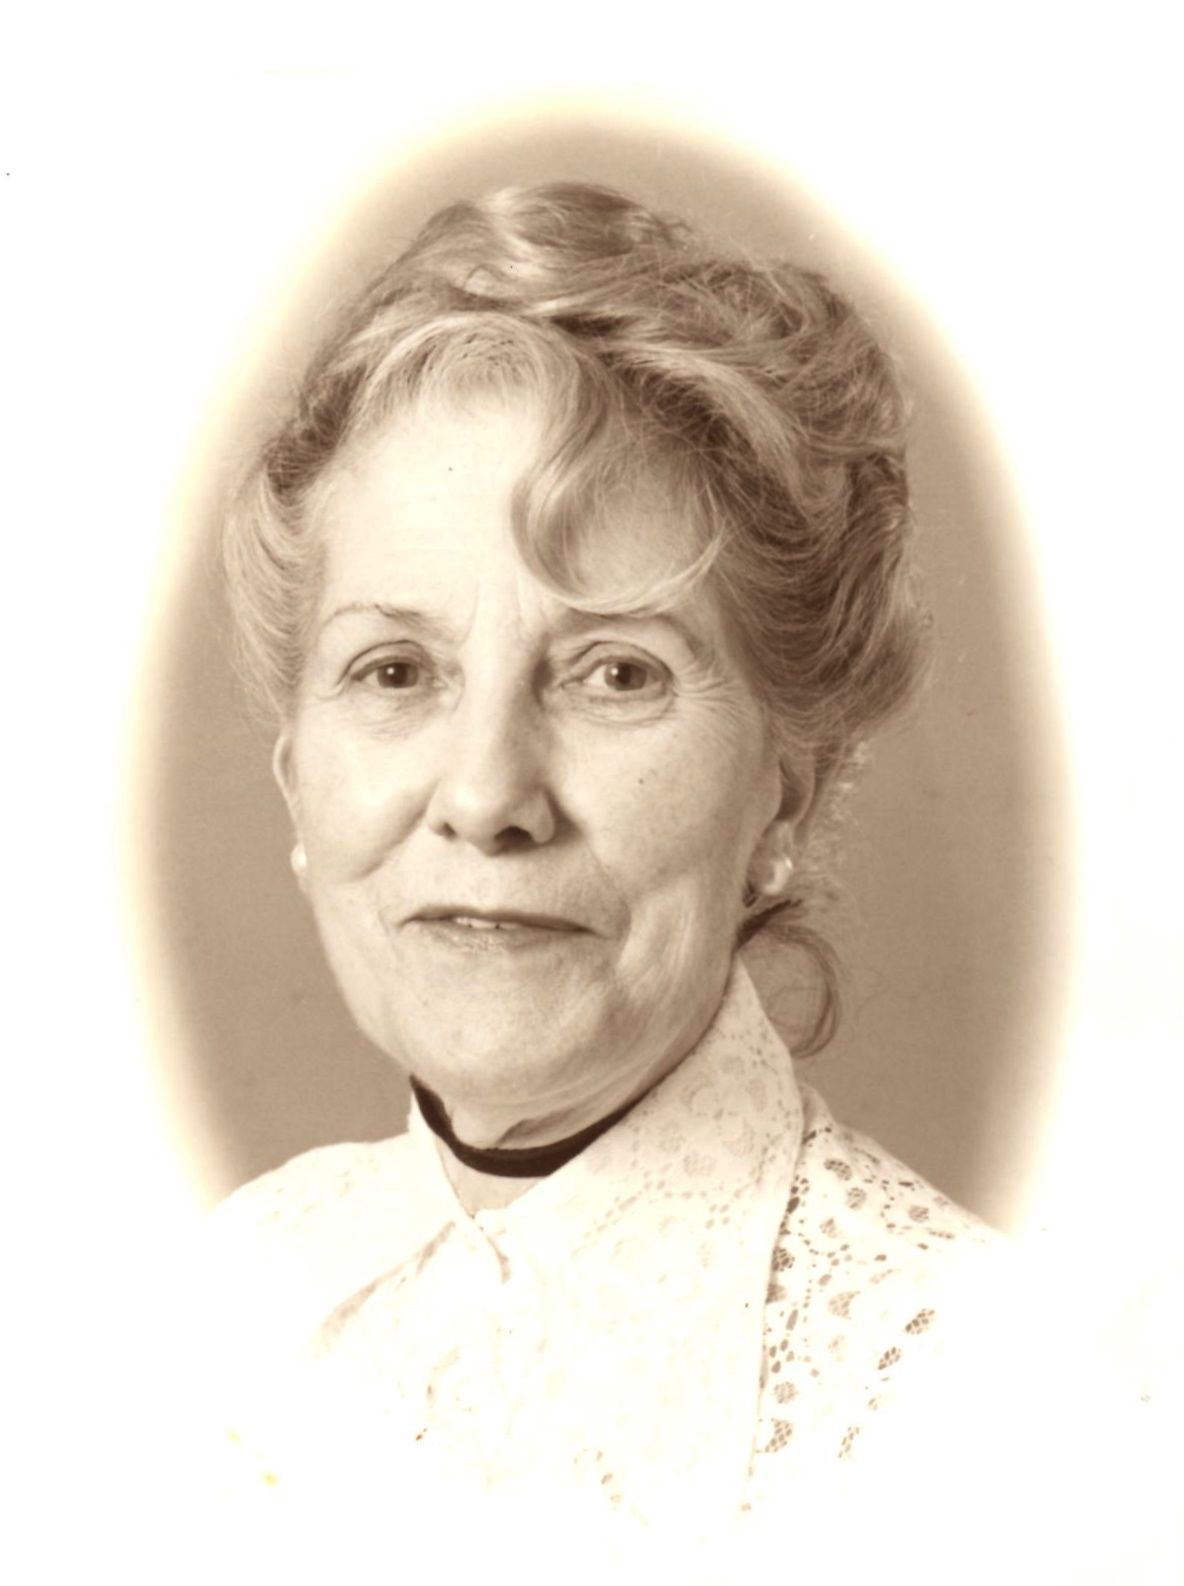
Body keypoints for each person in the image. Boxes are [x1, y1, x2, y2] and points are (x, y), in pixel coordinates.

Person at [203, 181, 1166, 1581]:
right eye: (396, 670)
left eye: (615, 672)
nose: (486, 795)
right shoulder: (221, 1293)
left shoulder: (1006, 1424)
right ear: (299, 778)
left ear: (784, 796)